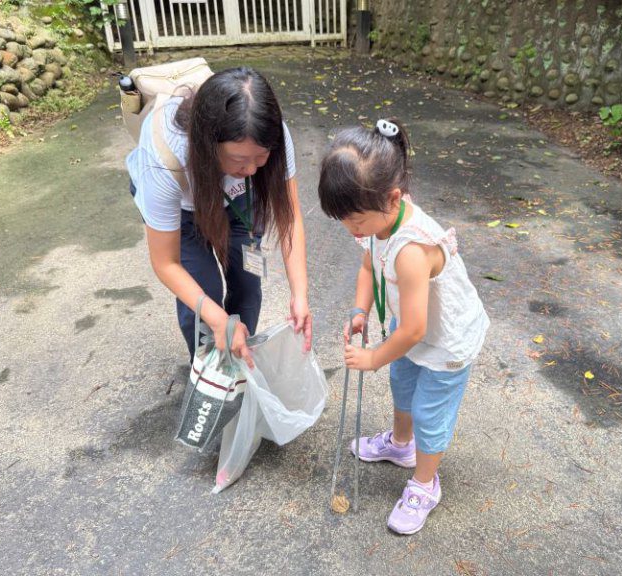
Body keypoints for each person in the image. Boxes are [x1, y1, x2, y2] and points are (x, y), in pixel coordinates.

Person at [318, 118, 489, 534]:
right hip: (412, 324)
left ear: (393, 198)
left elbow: (413, 330)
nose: (351, 230)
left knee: (431, 410)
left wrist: (373, 356)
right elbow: (366, 264)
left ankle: (425, 484)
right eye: (343, 221)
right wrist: (360, 310)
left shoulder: (412, 250)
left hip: (444, 339)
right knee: (403, 383)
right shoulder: (377, 219)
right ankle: (400, 445)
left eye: (355, 221)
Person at [127, 67, 311, 366]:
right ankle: (208, 372)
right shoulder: (163, 159)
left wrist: (300, 294)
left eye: (261, 158)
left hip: (239, 201)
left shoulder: (273, 135)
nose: (252, 170)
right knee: (205, 297)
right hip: (184, 213)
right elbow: (166, 263)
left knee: (248, 284)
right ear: (206, 144)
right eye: (239, 159)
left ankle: (238, 363)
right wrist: (217, 319)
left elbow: (289, 219)